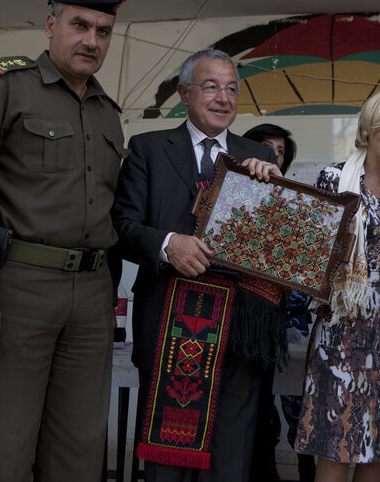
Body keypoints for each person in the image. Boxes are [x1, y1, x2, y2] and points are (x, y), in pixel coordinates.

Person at [0, 0, 126, 481]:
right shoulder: (4, 85)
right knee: (3, 445)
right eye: (79, 25)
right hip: (18, 287)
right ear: (50, 25)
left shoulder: (107, 112)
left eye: (103, 31)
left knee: (81, 448)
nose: (92, 40)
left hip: (91, 294)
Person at [111, 49, 284, 482]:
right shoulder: (148, 148)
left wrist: (277, 191)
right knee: (167, 460)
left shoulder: (257, 155)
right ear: (184, 93)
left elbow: (277, 244)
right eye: (210, 87)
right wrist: (168, 244)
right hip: (168, 318)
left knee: (232, 453)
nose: (223, 98)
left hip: (238, 327)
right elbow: (122, 224)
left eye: (231, 88)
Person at [295, 89, 380, 482]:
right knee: (336, 436)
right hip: (343, 323)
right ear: (370, 127)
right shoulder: (334, 177)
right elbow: (313, 251)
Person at [242, 124, 316, 482]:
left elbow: (310, 273)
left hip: (291, 327)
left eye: (281, 151)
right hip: (244, 325)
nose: (273, 154)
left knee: (299, 415)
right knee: (256, 418)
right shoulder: (233, 194)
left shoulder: (300, 201)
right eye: (265, 146)